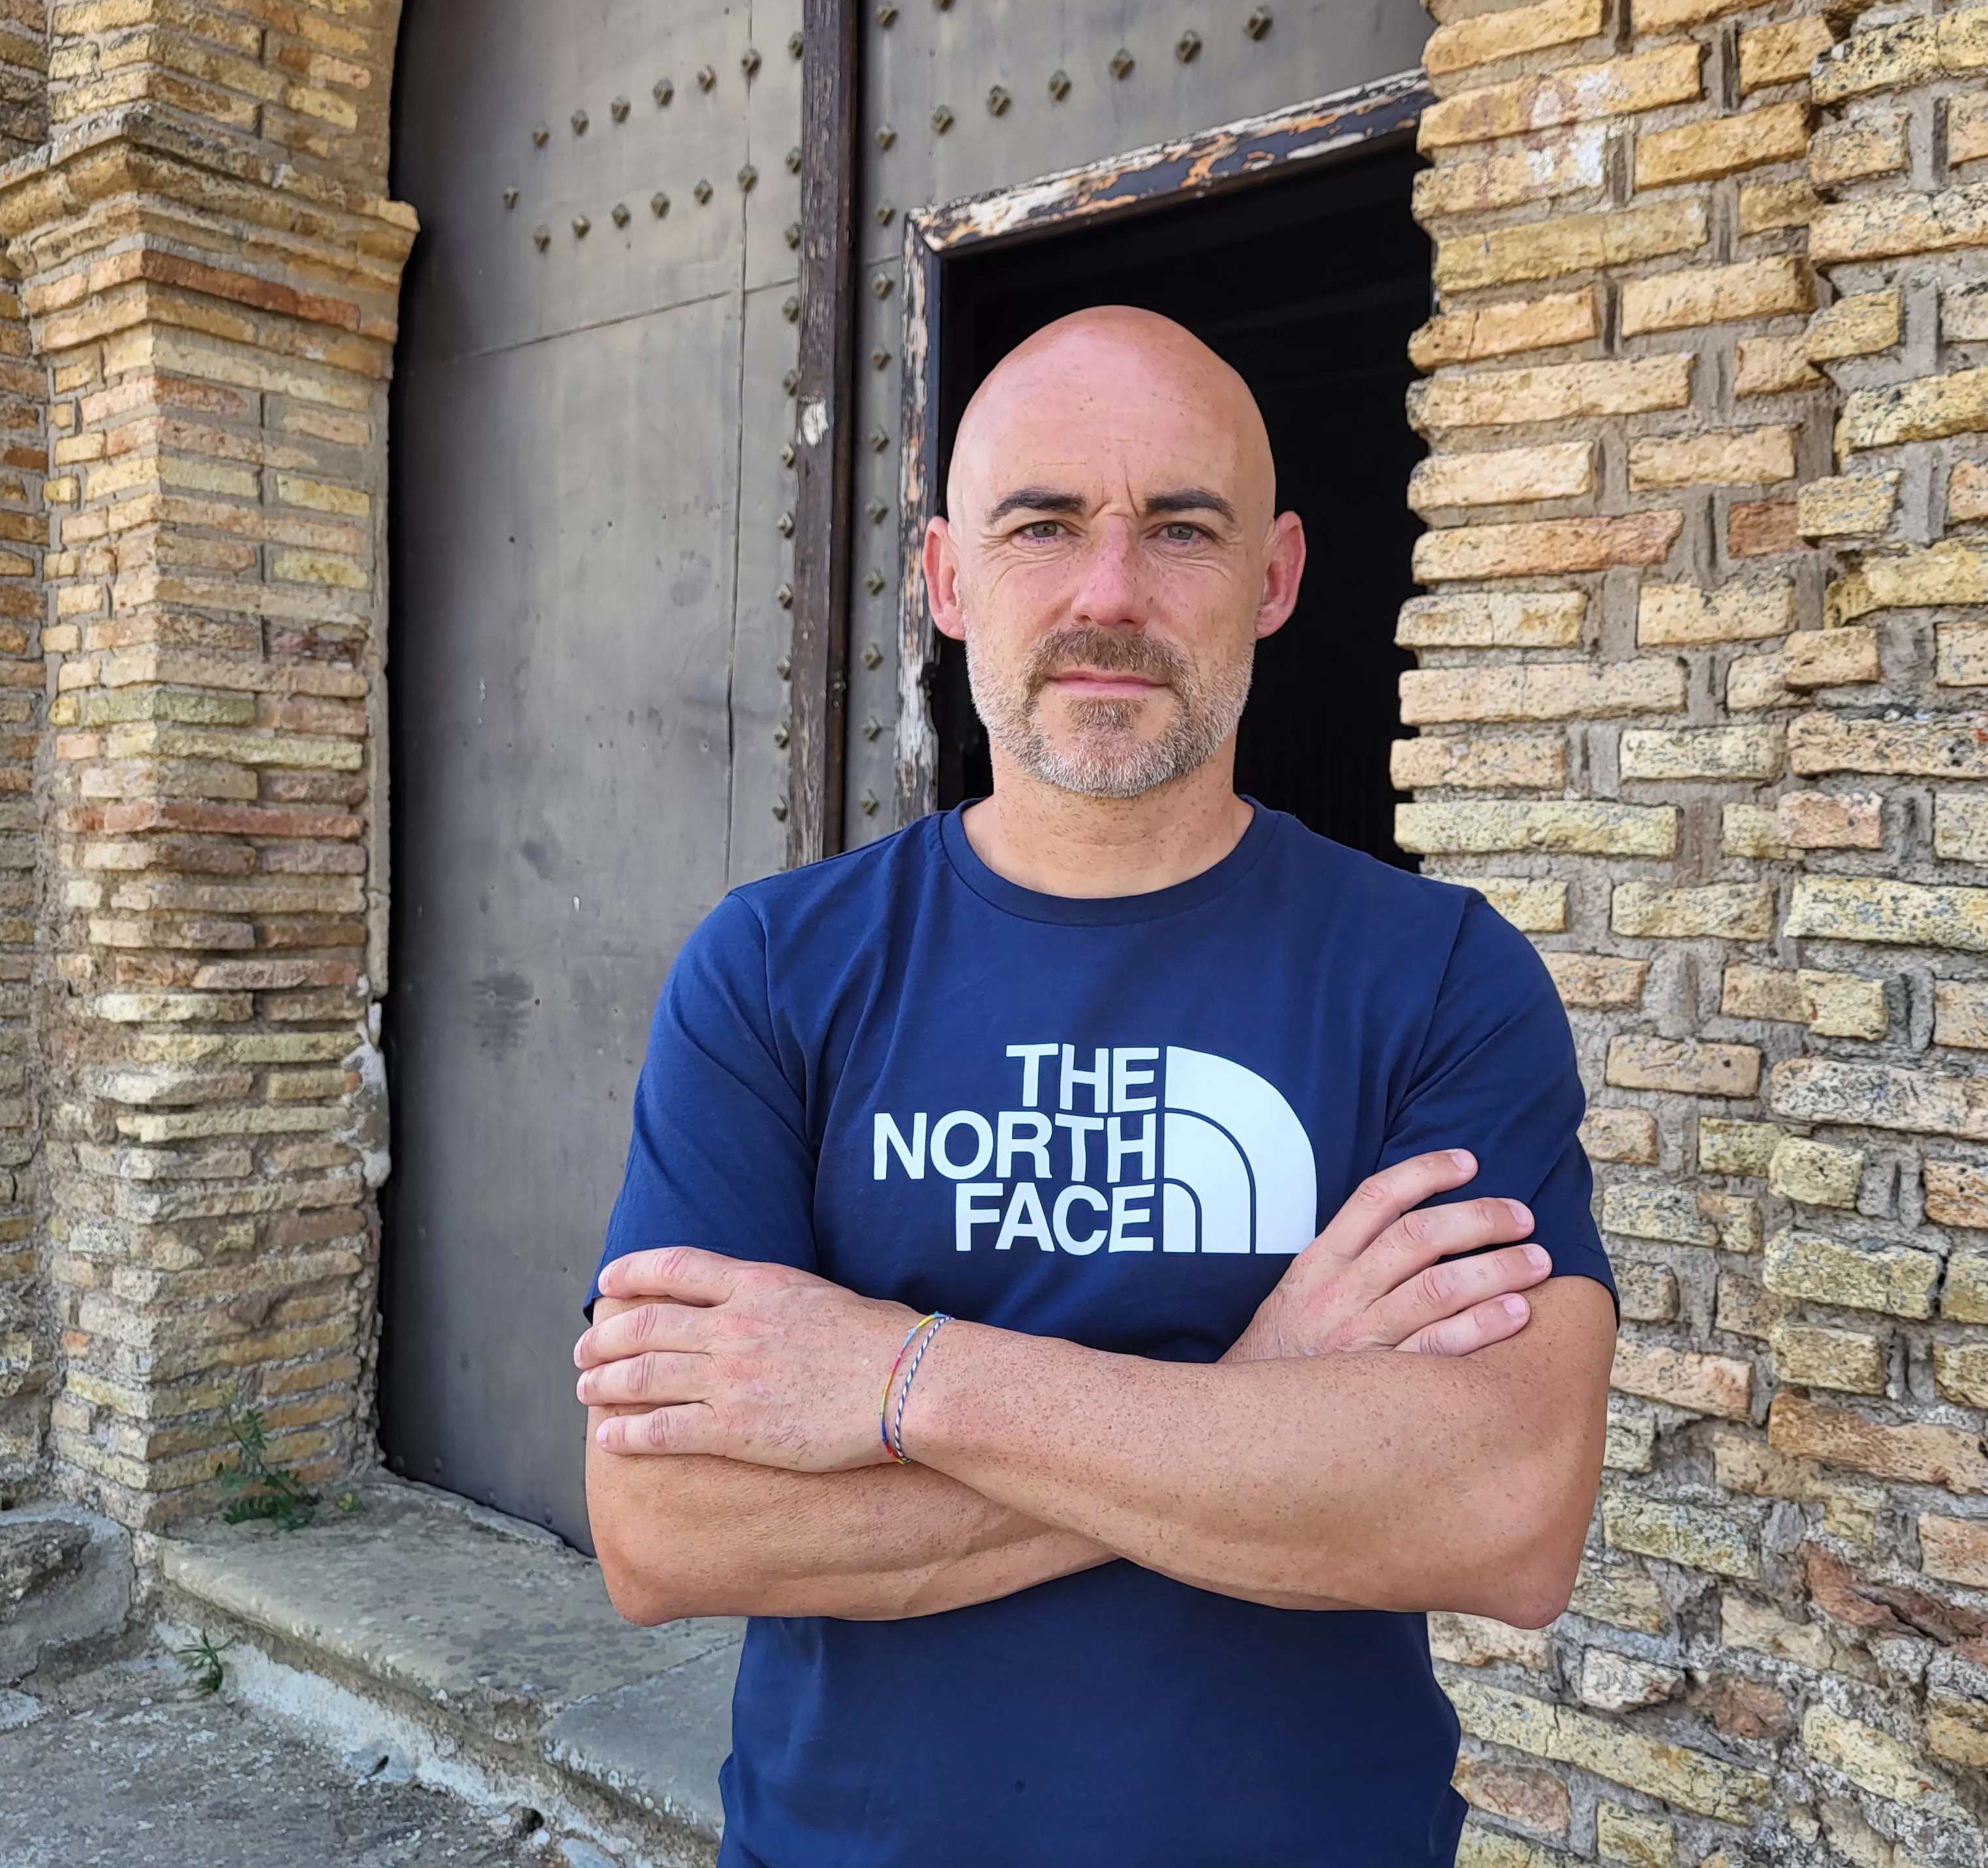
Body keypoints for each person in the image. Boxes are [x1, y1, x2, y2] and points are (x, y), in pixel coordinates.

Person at [572, 306, 1615, 1867]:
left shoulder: (1438, 978)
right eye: (1041, 524)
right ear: (943, 579)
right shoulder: (774, 972)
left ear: (1272, 579)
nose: (1108, 594)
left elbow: (1503, 1517)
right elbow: (669, 1531)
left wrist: (895, 1382)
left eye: (1179, 530)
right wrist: (1264, 1410)